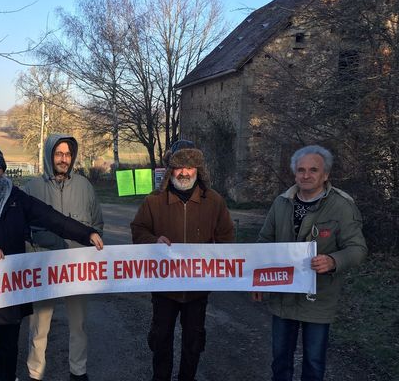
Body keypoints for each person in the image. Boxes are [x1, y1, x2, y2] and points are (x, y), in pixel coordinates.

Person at [0, 142, 104, 381]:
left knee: (9, 350)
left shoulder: (14, 196)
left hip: (11, 289)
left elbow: (51, 217)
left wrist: (85, 233)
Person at [252, 145, 367, 381]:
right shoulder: (281, 203)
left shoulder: (342, 206)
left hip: (319, 299)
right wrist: (258, 281)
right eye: (301, 170)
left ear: (325, 175)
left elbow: (358, 249)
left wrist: (333, 260)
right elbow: (264, 242)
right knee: (280, 360)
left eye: (313, 170)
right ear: (294, 174)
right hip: (283, 296)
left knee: (314, 363)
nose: (306, 175)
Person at [130, 140, 234, 381]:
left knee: (194, 341)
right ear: (170, 170)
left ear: (198, 169)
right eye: (179, 167)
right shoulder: (154, 200)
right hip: (164, 288)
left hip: (198, 288)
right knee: (161, 338)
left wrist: (217, 260)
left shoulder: (214, 201)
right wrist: (153, 241)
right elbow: (138, 229)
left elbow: (226, 237)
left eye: (190, 167)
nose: (184, 172)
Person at [24, 134, 103, 381]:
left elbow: (97, 223)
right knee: (39, 327)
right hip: (44, 267)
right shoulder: (32, 188)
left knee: (78, 325)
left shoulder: (84, 186)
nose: (64, 159)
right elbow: (23, 229)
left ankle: (78, 372)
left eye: (68, 154)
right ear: (50, 155)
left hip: (76, 270)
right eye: (59, 154)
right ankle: (35, 372)